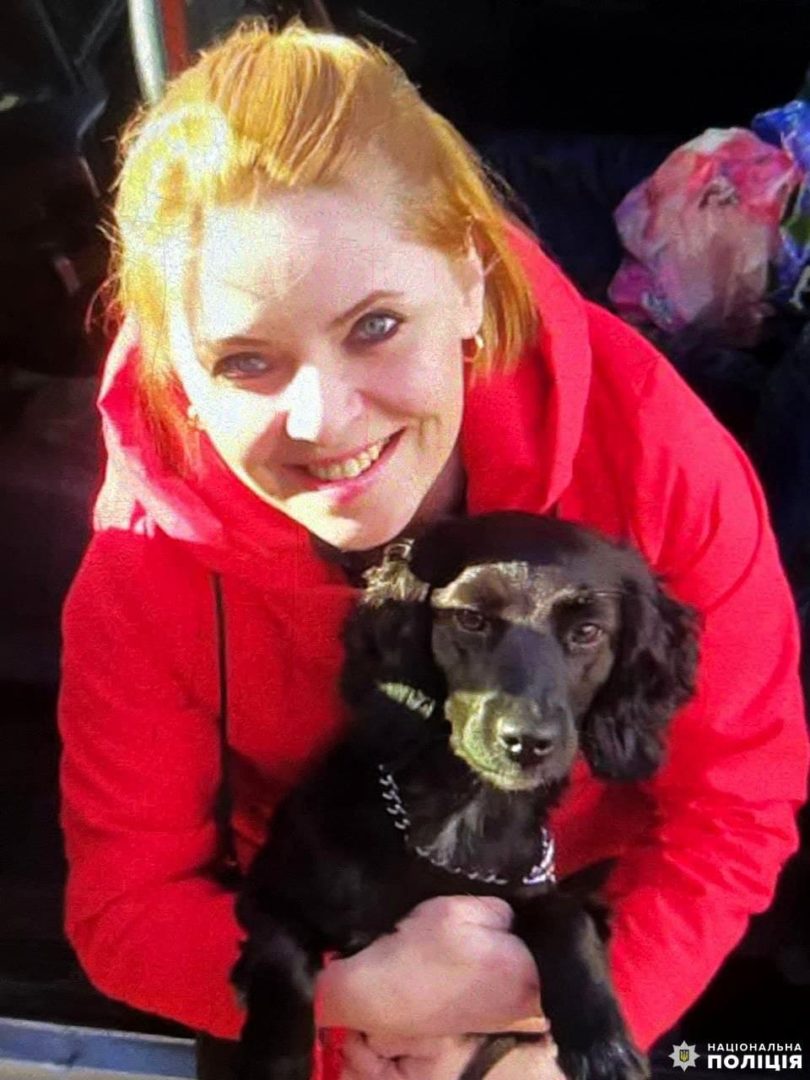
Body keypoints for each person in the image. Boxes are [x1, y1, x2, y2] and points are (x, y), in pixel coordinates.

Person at [58, 19, 808, 1080]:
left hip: (578, 954)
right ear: (178, 374)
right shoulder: (142, 568)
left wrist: (558, 1042)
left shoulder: (651, 455)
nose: (324, 419)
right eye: (245, 362)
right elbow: (126, 906)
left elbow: (734, 806)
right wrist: (353, 1005)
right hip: (301, 949)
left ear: (467, 281)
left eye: (375, 326)